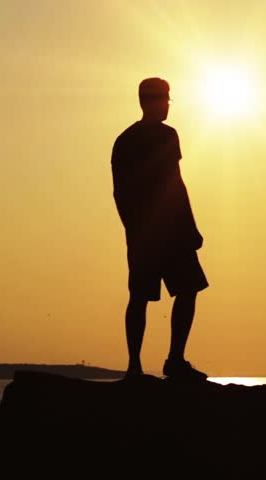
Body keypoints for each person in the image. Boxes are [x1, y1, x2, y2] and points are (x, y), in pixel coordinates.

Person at [111, 77, 209, 380]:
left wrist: (132, 229)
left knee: (143, 296)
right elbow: (174, 183)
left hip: (145, 232)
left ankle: (136, 366)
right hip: (169, 231)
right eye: (166, 99)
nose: (168, 105)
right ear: (151, 102)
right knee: (182, 291)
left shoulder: (124, 139)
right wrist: (190, 228)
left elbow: (119, 193)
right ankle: (171, 360)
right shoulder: (165, 136)